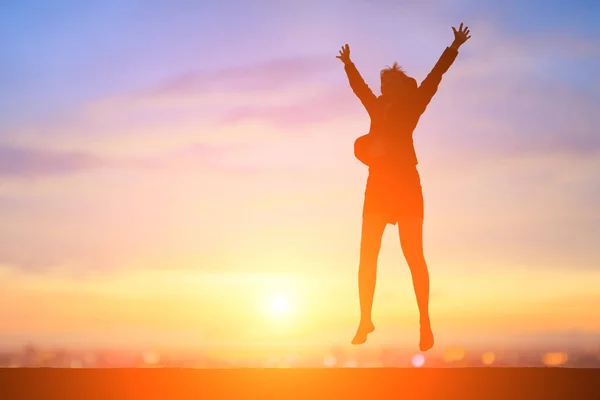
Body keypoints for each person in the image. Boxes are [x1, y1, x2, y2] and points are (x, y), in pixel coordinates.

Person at [336, 23, 471, 351]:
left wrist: (453, 47)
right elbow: (360, 90)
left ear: (400, 86)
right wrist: (349, 65)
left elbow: (434, 78)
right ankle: (365, 318)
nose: (381, 86)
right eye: (381, 82)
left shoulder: (414, 105)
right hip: (378, 187)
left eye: (387, 82)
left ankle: (424, 321)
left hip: (407, 186)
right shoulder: (377, 106)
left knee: (414, 255)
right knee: (367, 255)